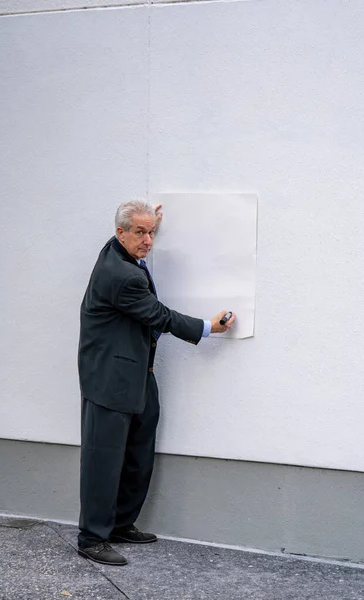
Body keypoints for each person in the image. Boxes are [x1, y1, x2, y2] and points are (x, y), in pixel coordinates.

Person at [77, 200, 235, 566]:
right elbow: (159, 315)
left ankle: (119, 524)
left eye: (152, 232)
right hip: (110, 381)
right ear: (120, 233)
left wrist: (146, 222)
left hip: (138, 376)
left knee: (138, 454)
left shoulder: (118, 250)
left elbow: (131, 233)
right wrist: (208, 328)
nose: (148, 239)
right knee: (104, 461)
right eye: (140, 232)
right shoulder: (121, 275)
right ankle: (91, 538)